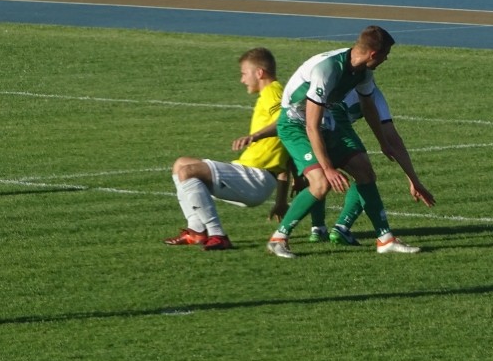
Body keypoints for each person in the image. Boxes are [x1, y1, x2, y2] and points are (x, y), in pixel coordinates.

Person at [267, 25, 422, 258]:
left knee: (364, 171)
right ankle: (278, 238)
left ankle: (385, 240)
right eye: (386, 54)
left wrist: (383, 143)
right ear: (373, 54)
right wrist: (328, 168)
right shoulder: (327, 70)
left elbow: (368, 107)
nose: (386, 59)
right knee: (321, 183)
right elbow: (310, 126)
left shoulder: (363, 71)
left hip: (325, 121)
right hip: (295, 125)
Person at [164, 47, 290, 251]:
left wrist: (255, 136)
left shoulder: (273, 92)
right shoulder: (268, 95)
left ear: (259, 73)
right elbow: (285, 158)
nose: (242, 80)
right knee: (181, 164)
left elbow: (285, 122)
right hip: (252, 174)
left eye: (244, 73)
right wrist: (281, 201)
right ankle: (196, 230)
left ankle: (217, 235)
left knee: (188, 172)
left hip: (256, 177)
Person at [306, 85, 435, 246]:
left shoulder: (366, 90)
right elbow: (392, 139)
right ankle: (345, 229)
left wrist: (413, 180)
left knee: (320, 175)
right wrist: (413, 180)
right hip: (325, 125)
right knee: (364, 174)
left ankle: (318, 228)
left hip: (312, 126)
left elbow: (391, 138)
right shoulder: (363, 90)